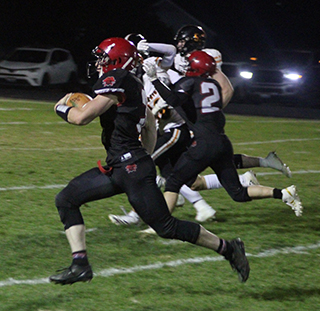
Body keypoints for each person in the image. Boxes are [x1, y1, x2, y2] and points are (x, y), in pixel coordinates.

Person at [49, 37, 250, 285]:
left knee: (167, 227)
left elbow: (82, 117)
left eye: (103, 56)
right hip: (121, 167)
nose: (99, 62)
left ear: (117, 59)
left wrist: (61, 107)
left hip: (130, 168)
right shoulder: (134, 82)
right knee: (66, 199)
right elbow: (151, 126)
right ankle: (80, 265)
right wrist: (144, 156)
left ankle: (229, 248)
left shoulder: (119, 79)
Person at [142, 50, 303, 223]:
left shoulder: (189, 82)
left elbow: (175, 100)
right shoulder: (214, 87)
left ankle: (161, 225)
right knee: (238, 193)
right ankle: (283, 193)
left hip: (204, 143)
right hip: (222, 142)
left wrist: (154, 80)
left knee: (173, 182)